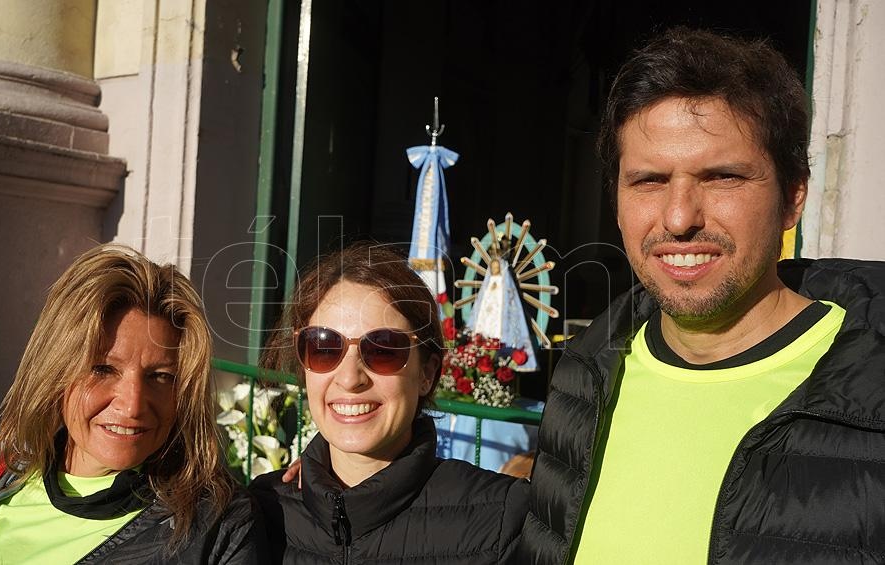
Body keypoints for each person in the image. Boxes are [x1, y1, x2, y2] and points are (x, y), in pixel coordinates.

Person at [517, 27, 885, 564]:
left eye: (722, 177)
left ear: (794, 197)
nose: (679, 217)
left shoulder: (870, 393)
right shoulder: (582, 375)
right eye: (649, 180)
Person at [0, 244, 266, 564]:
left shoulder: (218, 526)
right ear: (55, 372)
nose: (133, 404)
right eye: (102, 369)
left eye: (160, 376)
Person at [250, 242, 528, 564]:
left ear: (427, 372)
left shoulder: (500, 520)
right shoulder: (262, 511)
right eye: (324, 347)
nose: (350, 378)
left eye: (383, 349)